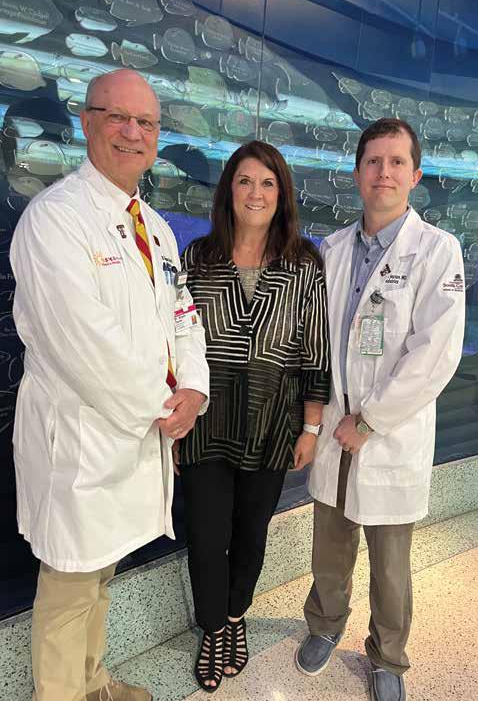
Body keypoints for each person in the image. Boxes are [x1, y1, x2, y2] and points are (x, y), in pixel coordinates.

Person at [10, 69, 209, 701]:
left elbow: (183, 313)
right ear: (87, 121)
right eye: (117, 117)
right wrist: (161, 406)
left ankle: (92, 683)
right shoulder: (56, 220)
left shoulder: (155, 226)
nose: (132, 132)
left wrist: (194, 389)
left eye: (145, 122)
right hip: (82, 441)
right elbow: (83, 343)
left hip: (134, 436)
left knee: (100, 577)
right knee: (69, 586)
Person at [295, 118, 465, 701]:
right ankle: (325, 624)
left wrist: (369, 421)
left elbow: (434, 355)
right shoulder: (333, 250)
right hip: (334, 430)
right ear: (357, 172)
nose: (383, 172)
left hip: (388, 435)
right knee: (329, 545)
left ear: (415, 176)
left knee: (391, 563)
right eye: (373, 161)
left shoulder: (437, 251)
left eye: (396, 162)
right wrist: (320, 420)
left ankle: (388, 656)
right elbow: (318, 341)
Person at [176, 140, 331, 692]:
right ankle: (212, 628)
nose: (256, 193)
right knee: (205, 535)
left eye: (268, 183)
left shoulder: (303, 263)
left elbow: (315, 351)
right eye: (245, 181)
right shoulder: (198, 258)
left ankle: (236, 615)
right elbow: (175, 342)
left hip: (272, 425)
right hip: (205, 426)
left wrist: (311, 427)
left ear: (282, 194)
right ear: (229, 190)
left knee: (250, 534)